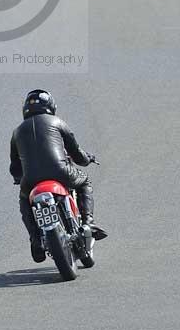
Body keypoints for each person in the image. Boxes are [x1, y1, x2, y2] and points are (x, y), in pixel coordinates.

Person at [10, 89, 107, 263]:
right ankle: (88, 223)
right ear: (50, 106)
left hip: (31, 180)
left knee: (24, 199)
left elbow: (14, 167)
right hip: (61, 171)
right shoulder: (58, 122)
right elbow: (76, 153)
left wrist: (19, 179)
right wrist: (88, 159)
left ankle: (35, 239)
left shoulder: (16, 132)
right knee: (84, 181)